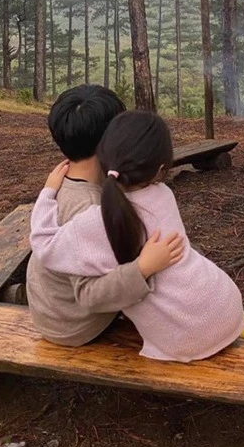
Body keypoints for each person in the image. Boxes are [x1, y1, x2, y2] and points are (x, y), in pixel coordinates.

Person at [30, 110, 244, 362]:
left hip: (187, 339)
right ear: (160, 169)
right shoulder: (163, 195)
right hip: (227, 303)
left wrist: (48, 192)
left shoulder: (95, 222)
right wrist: (142, 267)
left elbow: (43, 243)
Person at [26, 85, 183, 347]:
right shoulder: (89, 209)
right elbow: (90, 295)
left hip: (50, 309)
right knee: (159, 267)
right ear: (110, 142)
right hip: (73, 324)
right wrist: (142, 269)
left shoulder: (61, 182)